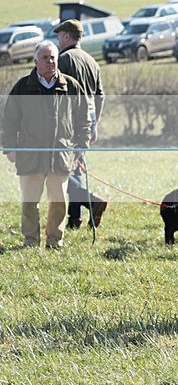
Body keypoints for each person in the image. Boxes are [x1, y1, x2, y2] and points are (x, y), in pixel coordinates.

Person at [1, 41, 91, 249]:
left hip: (60, 156)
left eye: (53, 57)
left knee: (59, 202)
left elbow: (83, 120)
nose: (50, 61)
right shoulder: (23, 86)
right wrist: (10, 149)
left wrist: (81, 147)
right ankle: (30, 242)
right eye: (45, 58)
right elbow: (9, 120)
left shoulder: (70, 86)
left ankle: (54, 241)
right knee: (29, 203)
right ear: (35, 61)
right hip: (30, 156)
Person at [54, 19, 108, 229]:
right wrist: (95, 124)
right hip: (88, 120)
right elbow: (100, 95)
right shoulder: (91, 60)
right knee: (75, 169)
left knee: (61, 171)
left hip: (70, 121)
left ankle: (92, 201)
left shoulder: (64, 59)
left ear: (67, 37)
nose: (57, 40)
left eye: (59, 36)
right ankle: (74, 219)